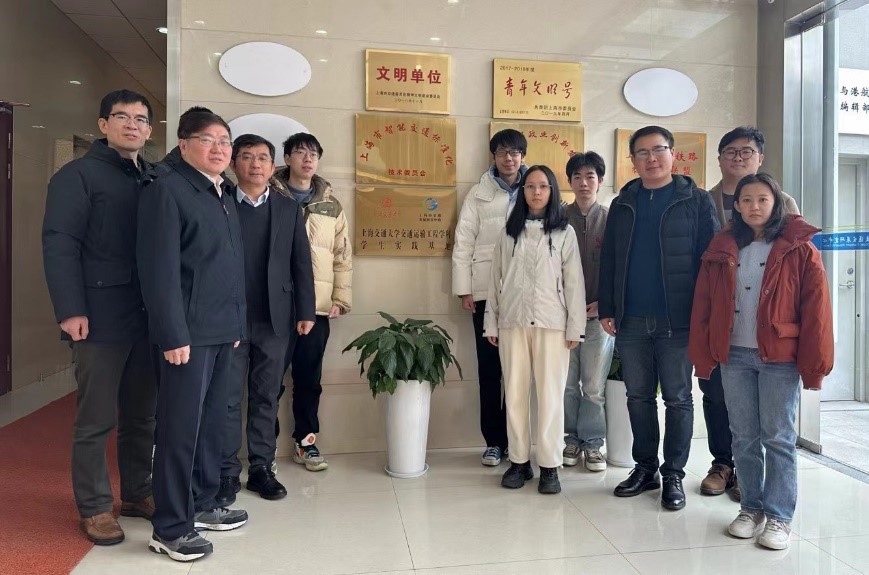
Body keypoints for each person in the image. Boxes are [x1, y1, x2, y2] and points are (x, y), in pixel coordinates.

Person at [689, 173, 833, 550]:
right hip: (734, 355)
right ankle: (751, 508)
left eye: (763, 199)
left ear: (776, 203)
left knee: (778, 437)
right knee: (743, 435)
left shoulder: (799, 248)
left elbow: (817, 311)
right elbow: (704, 304)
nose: (755, 206)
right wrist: (702, 353)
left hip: (779, 357)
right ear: (736, 206)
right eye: (747, 200)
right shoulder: (722, 247)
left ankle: (779, 516)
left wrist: (815, 365)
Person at [42, 89, 158, 545]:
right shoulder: (77, 176)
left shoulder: (153, 176)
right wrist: (70, 309)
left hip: (148, 316)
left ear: (149, 130)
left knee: (142, 415)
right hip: (98, 316)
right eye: (122, 117)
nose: (132, 125)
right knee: (96, 418)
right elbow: (60, 243)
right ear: (103, 124)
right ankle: (93, 506)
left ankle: (137, 493)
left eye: (141, 119)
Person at [138, 108, 249, 562]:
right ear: (183, 144)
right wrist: (172, 334)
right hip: (187, 336)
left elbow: (228, 267)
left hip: (222, 330)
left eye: (225, 141)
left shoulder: (221, 190)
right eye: (208, 139)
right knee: (180, 430)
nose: (219, 148)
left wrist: (236, 325)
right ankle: (170, 527)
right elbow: (159, 270)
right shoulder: (167, 190)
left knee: (213, 424)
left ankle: (203, 504)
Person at [598, 125, 718, 510]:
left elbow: (711, 263)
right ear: (632, 160)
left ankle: (674, 474)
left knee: (679, 399)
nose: (651, 158)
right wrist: (608, 307)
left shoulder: (696, 201)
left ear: (673, 153)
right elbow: (610, 258)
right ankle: (645, 468)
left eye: (658, 150)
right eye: (643, 152)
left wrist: (704, 315)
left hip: (678, 320)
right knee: (638, 397)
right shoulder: (623, 203)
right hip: (631, 318)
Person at [698, 126, 800, 500]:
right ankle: (723, 464)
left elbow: (797, 267)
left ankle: (752, 480)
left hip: (767, 327)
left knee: (769, 416)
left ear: (760, 158)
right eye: (730, 151)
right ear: (719, 158)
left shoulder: (783, 202)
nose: (738, 157)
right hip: (720, 319)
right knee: (715, 395)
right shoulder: (703, 200)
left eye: (747, 151)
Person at [217, 134, 316, 506]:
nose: (255, 164)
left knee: (266, 395)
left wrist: (305, 310)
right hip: (228, 319)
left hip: (275, 319)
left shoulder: (287, 208)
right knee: (227, 397)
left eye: (262, 157)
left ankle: (261, 468)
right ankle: (226, 471)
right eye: (247, 157)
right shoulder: (219, 202)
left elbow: (300, 262)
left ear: (273, 165)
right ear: (233, 163)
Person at [484, 165, 585, 494]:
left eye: (543, 186)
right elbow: (494, 281)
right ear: (523, 191)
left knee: (551, 397)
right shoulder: (507, 233)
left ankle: (550, 465)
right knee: (514, 394)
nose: (536, 192)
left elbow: (574, 283)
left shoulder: (564, 233)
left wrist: (575, 328)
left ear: (552, 191)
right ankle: (518, 462)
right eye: (530, 186)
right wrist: (491, 322)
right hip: (512, 322)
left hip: (551, 324)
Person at [272, 132, 352, 472]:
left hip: (317, 307)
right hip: (275, 307)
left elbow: (342, 255)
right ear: (287, 158)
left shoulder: (331, 205)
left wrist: (340, 299)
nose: (307, 159)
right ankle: (264, 449)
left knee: (308, 380)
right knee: (268, 381)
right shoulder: (268, 195)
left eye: (313, 154)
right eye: (300, 152)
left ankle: (306, 443)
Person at [453, 129, 528, 466]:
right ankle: (493, 442)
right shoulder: (478, 193)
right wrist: (464, 288)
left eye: (514, 152)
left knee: (518, 370)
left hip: (524, 292)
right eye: (502, 152)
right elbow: (463, 241)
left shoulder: (535, 188)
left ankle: (514, 439)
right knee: (489, 369)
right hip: (485, 290)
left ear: (523, 156)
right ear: (493, 157)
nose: (508, 158)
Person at [561, 151, 614, 472]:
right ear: (569, 181)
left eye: (590, 176)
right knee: (567, 385)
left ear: (601, 180)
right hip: (562, 317)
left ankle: (593, 444)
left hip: (598, 316)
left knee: (593, 386)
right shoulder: (557, 218)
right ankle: (571, 439)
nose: (584, 183)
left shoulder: (612, 219)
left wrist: (606, 303)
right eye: (577, 177)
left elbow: (621, 268)